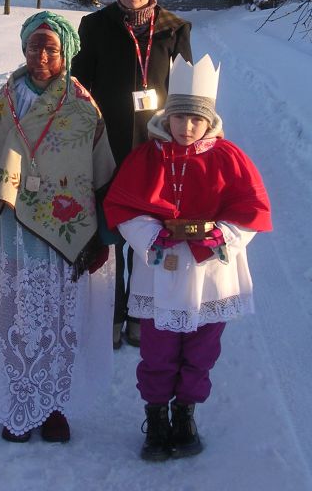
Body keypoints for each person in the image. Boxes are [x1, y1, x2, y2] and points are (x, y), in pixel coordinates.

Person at [0, 11, 117, 444]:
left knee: (59, 319)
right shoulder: (5, 100)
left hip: (62, 234)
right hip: (10, 231)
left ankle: (54, 406)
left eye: (51, 49)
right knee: (12, 317)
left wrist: (103, 236)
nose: (41, 57)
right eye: (33, 47)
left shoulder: (82, 106)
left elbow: (101, 171)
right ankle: (18, 404)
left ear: (67, 53)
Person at [103, 54, 272, 461]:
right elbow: (123, 208)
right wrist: (152, 235)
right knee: (157, 349)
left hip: (209, 273)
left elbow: (251, 211)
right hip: (160, 270)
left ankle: (185, 414)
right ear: (168, 116)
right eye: (180, 117)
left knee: (201, 349)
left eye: (196, 119)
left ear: (208, 120)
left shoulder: (229, 157)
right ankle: (156, 417)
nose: (187, 127)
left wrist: (220, 235)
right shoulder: (147, 157)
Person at [71, 0, 192, 349]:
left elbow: (186, 95)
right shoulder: (95, 26)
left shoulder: (174, 29)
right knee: (111, 236)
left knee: (148, 237)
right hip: (107, 146)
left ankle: (142, 313)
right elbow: (80, 88)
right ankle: (112, 313)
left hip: (156, 152)